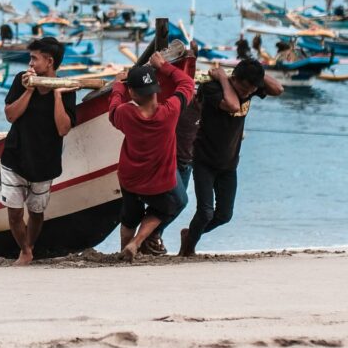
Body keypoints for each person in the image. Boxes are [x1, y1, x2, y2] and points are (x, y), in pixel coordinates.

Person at [180, 59, 283, 256]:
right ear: (234, 79)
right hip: (204, 160)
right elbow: (233, 105)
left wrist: (257, 75)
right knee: (205, 212)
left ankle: (190, 234)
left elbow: (278, 89)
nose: (248, 92)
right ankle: (187, 250)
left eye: (253, 88)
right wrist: (223, 79)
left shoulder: (250, 88)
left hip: (229, 164)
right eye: (244, 87)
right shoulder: (212, 88)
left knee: (224, 215)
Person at [109, 52, 195, 262]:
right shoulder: (170, 112)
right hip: (160, 183)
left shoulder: (124, 114)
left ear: (133, 93)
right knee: (175, 203)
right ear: (156, 90)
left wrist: (118, 86)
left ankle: (124, 251)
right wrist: (164, 66)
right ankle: (137, 243)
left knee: (129, 218)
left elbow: (112, 108)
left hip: (130, 179)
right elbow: (187, 84)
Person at [1, 36, 76, 266]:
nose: (30, 64)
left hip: (45, 161)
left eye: (34, 59)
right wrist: (29, 89)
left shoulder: (66, 89)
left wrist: (56, 93)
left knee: (36, 211)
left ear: (49, 61)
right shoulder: (21, 81)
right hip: (15, 156)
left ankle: (29, 248)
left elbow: (63, 128)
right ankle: (25, 251)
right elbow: (11, 115)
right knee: (14, 212)